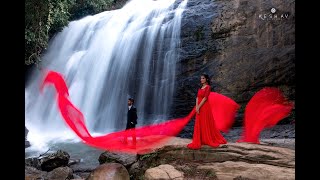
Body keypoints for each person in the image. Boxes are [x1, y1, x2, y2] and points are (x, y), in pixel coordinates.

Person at [187, 74, 227, 149]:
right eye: (201, 78)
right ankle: (200, 139)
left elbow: (205, 98)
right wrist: (196, 107)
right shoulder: (201, 87)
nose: (201, 80)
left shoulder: (208, 87)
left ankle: (207, 138)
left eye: (203, 78)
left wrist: (199, 106)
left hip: (204, 107)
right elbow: (197, 97)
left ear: (206, 79)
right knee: (199, 122)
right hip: (198, 106)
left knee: (205, 121)